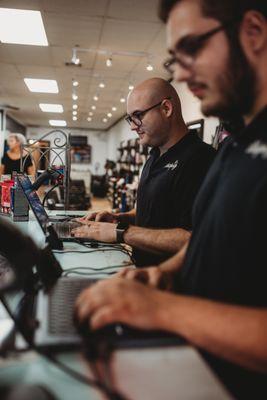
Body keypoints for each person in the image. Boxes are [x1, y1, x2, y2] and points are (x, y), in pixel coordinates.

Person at [75, 1, 267, 398]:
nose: (179, 73)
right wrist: (164, 274)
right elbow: (205, 234)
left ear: (254, 32)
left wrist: (162, 310)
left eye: (192, 48)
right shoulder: (237, 142)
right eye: (173, 59)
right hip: (192, 367)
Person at [73, 78, 215, 267]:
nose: (132, 126)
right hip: (142, 272)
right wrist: (119, 218)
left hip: (172, 286)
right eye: (130, 118)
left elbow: (198, 239)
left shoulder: (201, 160)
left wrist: (121, 232)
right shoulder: (154, 155)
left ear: (166, 109)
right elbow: (149, 211)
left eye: (138, 115)